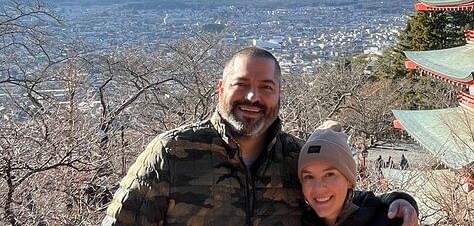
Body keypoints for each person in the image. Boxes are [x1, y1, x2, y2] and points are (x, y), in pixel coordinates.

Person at [101, 47, 418, 226]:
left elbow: (338, 196)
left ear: (278, 95)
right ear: (221, 89)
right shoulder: (172, 153)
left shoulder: (295, 158)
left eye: (266, 87)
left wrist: (398, 201)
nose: (253, 97)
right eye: (241, 84)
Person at [299, 121, 415, 226]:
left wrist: (400, 200)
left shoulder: (385, 221)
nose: (318, 187)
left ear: (349, 180)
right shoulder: (298, 219)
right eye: (309, 176)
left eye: (329, 174)